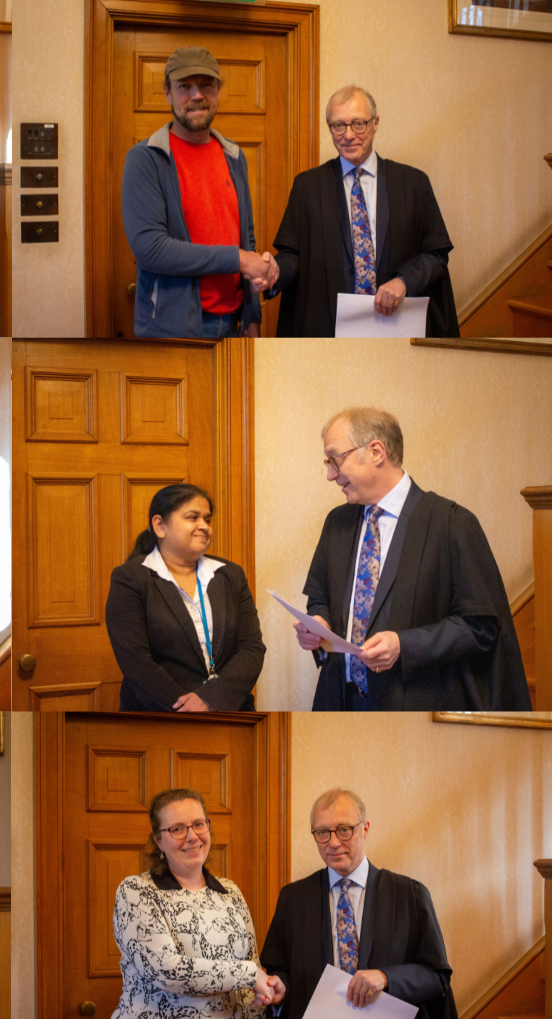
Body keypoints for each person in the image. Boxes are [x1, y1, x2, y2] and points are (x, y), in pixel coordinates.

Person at [296, 407, 530, 711]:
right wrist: (318, 623)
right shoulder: (336, 523)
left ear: (376, 452)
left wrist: (404, 646)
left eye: (335, 459)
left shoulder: (451, 523)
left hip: (415, 708)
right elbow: (319, 599)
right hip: (339, 702)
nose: (330, 474)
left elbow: (481, 627)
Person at [259, 789, 468, 1019]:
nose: (333, 843)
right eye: (322, 832)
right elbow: (280, 969)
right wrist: (278, 986)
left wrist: (385, 977)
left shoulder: (409, 895)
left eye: (344, 830)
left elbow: (437, 977)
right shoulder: (294, 898)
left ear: (365, 828)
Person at [99, 788, 272, 1019]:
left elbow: (252, 978)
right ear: (158, 840)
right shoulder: (136, 891)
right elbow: (167, 970)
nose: (192, 836)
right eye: (177, 828)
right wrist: (250, 974)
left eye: (199, 824)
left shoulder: (230, 893)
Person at [267, 85, 459, 337]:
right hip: (328, 331)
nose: (348, 135)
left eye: (358, 124)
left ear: (375, 123)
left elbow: (436, 255)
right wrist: (274, 271)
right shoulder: (308, 186)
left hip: (398, 328)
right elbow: (294, 255)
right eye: (338, 125)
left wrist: (404, 281)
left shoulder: (413, 183)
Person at [120, 46, 277, 340]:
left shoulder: (234, 156)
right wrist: (240, 259)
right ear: (167, 92)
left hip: (235, 324)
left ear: (218, 91)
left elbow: (247, 239)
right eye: (184, 87)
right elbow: (151, 249)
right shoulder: (146, 158)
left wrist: (253, 317)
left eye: (206, 85)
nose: (196, 96)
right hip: (172, 331)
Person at [106, 484, 265, 711]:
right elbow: (135, 661)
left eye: (207, 520)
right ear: (160, 525)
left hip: (227, 710)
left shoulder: (231, 575)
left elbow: (252, 647)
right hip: (160, 715)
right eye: (193, 517)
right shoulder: (130, 579)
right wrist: (186, 707)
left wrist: (211, 700)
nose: (204, 527)